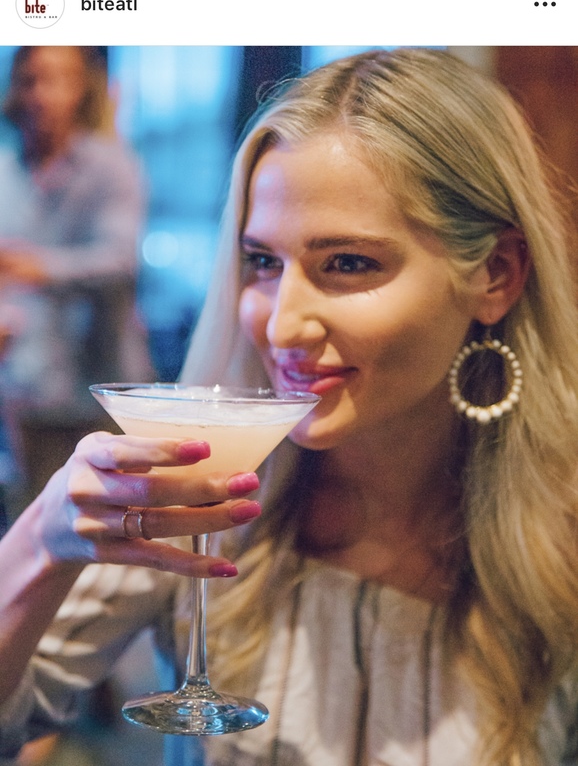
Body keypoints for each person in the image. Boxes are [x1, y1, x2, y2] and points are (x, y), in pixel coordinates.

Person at [0, 48, 577, 766]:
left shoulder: (562, 542)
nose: (281, 325)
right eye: (263, 262)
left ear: (496, 274)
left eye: (348, 263)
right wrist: (41, 544)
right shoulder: (199, 495)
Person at [0, 45, 151, 503]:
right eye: (31, 80)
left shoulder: (111, 166)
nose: (41, 94)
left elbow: (120, 260)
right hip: (26, 385)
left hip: (97, 384)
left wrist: (39, 267)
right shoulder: (5, 169)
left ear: (82, 89)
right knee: (32, 512)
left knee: (106, 516)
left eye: (57, 79)